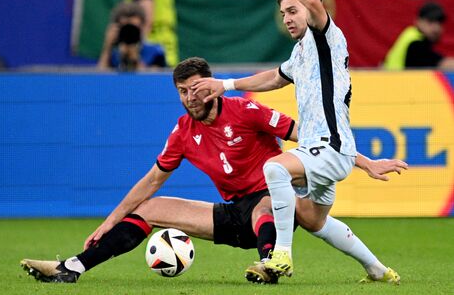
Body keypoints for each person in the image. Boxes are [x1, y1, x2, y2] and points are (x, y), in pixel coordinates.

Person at [20, 57, 406, 285]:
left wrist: (365, 162)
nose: (192, 97)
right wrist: (109, 221)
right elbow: (151, 180)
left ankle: (271, 264)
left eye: (197, 88)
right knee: (152, 207)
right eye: (183, 91)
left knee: (274, 203)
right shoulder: (183, 132)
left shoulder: (246, 110)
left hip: (269, 205)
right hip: (231, 213)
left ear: (212, 86)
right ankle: (70, 269)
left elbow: (316, 137)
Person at [191, 0, 402, 284]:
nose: (287, 19)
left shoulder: (326, 36)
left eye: (293, 11)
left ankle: (281, 255)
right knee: (313, 218)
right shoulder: (302, 52)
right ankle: (378, 270)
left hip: (327, 148)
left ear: (311, 7)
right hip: (327, 150)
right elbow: (274, 78)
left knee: (274, 168)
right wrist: (226, 85)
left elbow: (311, 2)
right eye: (283, 13)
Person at [383, 2, 454, 70]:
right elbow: (443, 64)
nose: (436, 28)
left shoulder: (410, 34)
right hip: (396, 81)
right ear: (418, 21)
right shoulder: (415, 43)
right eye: (430, 22)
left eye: (439, 23)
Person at [97, 2, 166, 71]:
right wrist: (107, 46)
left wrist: (135, 60)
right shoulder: (113, 54)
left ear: (142, 27)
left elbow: (154, 79)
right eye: (125, 29)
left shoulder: (155, 52)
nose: (129, 33)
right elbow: (100, 78)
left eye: (133, 29)